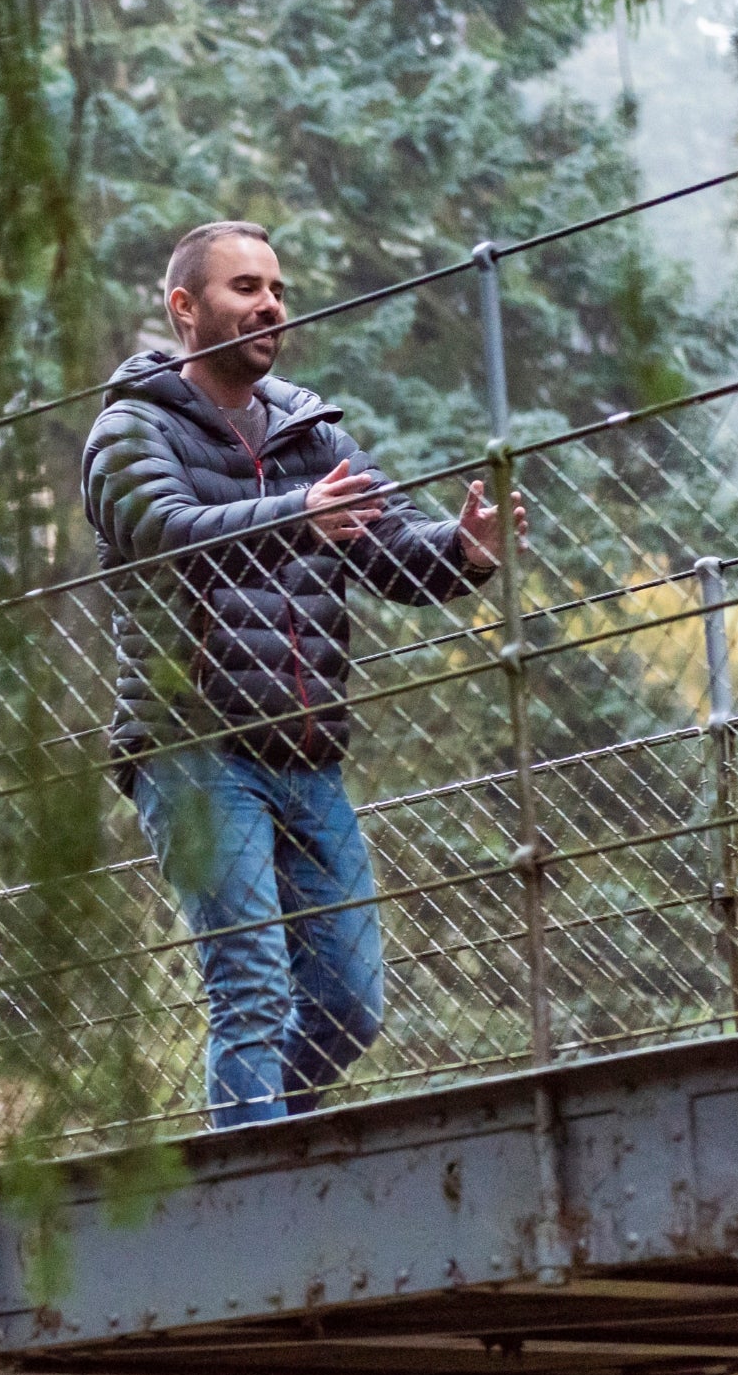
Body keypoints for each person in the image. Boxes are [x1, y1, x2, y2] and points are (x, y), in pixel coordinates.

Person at [80, 220, 529, 1127]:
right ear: (185, 308)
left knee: (349, 1007)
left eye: (276, 289)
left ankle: (265, 1145)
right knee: (251, 992)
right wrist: (294, 518)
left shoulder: (309, 427)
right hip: (195, 750)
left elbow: (396, 553)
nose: (270, 305)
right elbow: (160, 536)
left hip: (307, 749)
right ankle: (251, 1195)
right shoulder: (127, 430)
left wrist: (467, 551)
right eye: (244, 288)